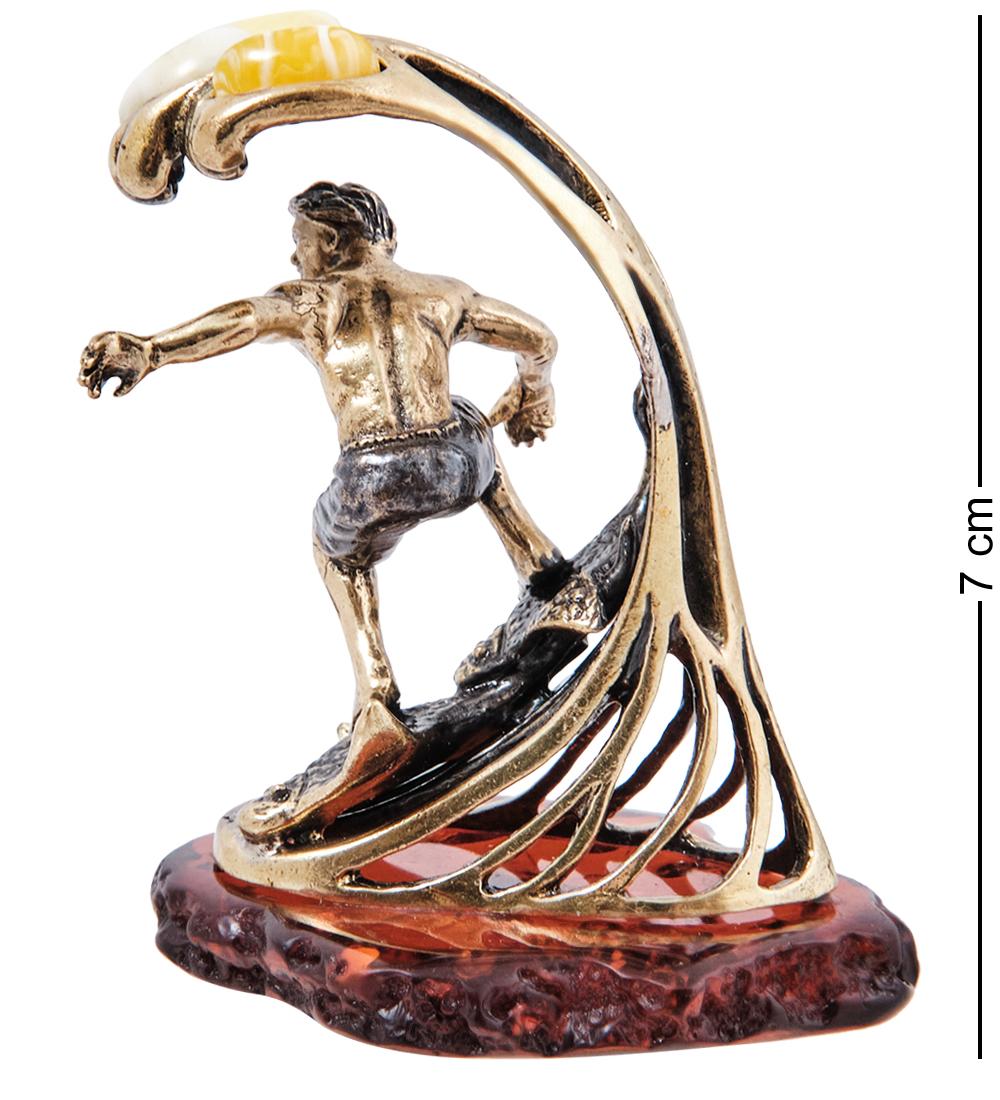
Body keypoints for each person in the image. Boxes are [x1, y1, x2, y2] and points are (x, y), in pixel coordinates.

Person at [80, 181, 577, 833]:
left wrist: (152, 350)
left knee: (334, 553)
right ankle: (541, 563)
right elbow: (540, 339)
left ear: (335, 242)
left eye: (301, 243)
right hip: (455, 468)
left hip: (375, 477)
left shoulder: (316, 301)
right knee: (469, 422)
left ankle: (375, 697)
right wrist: (535, 393)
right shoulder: (445, 293)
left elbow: (244, 319)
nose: (295, 259)